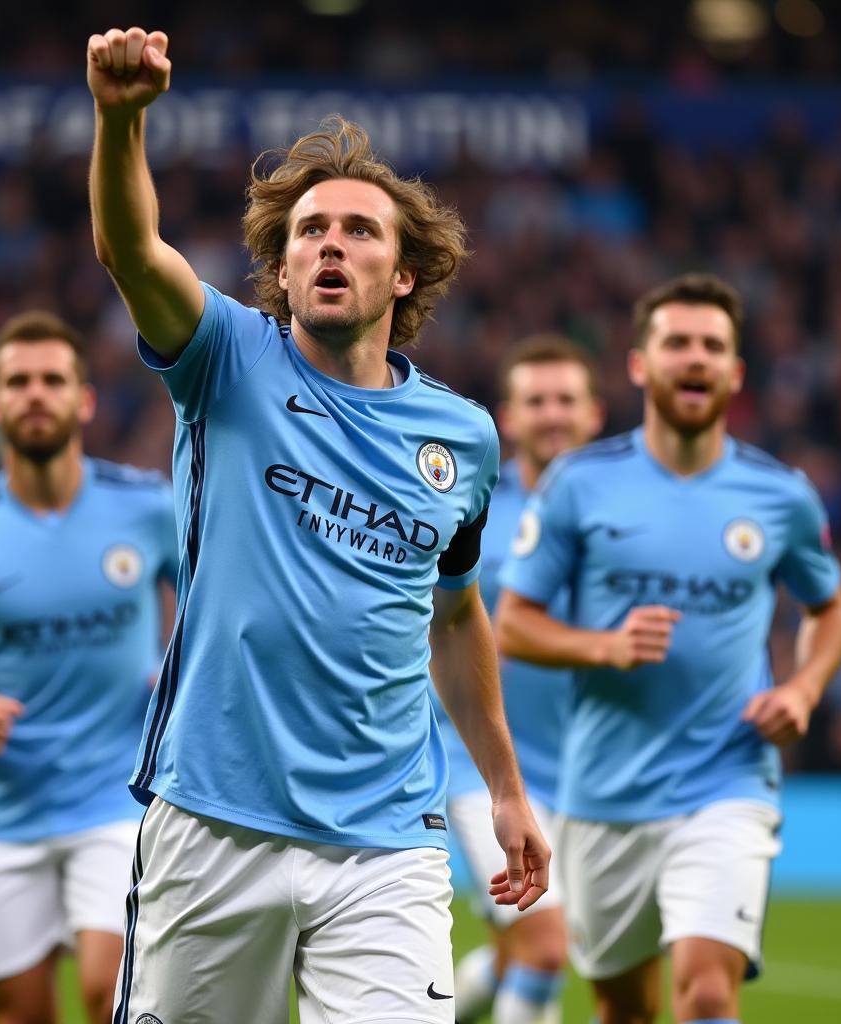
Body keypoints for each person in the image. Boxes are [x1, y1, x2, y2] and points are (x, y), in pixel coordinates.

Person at [87, 26, 549, 1024]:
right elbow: (129, 248)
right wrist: (122, 124)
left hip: (387, 840)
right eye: (308, 231)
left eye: (358, 230)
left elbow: (456, 615)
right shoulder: (225, 360)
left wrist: (505, 787)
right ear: (282, 269)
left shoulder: (461, 439)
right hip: (214, 822)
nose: (330, 243)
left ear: (404, 274)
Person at [494, 272, 841, 1024]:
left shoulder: (779, 495)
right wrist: (604, 646)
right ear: (638, 364)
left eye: (713, 346)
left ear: (735, 371)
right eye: (678, 343)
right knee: (626, 1010)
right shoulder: (579, 485)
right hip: (605, 794)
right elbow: (514, 624)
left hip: (726, 777)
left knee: (707, 991)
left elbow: (830, 608)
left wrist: (805, 688)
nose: (696, 359)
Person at [0, 310, 178, 1024]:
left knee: (109, 993)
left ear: (84, 400)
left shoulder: (146, 508)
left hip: (120, 801)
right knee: (21, 1016)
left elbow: (218, 601)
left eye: (53, 379)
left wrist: (181, 669)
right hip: (3, 810)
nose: (36, 394)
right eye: (18, 382)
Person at [440, 336, 604, 1024]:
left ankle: (442, 1008)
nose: (552, 415)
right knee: (543, 946)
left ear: (594, 413)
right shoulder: (474, 509)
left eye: (566, 400)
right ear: (509, 417)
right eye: (537, 401)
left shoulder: (620, 516)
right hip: (479, 769)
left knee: (522, 957)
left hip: (593, 775)